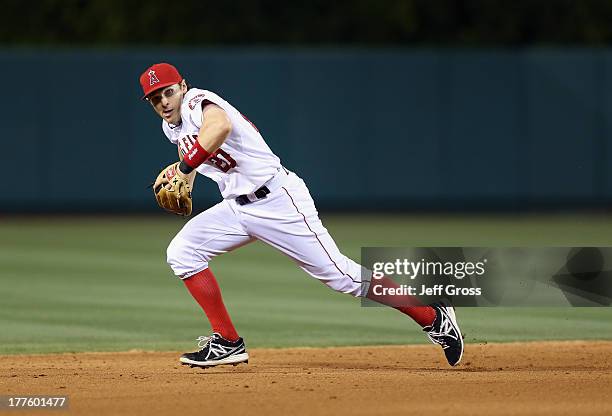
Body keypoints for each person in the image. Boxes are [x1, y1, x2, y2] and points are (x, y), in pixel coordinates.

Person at [139, 62, 464, 368]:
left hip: (278, 201)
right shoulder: (171, 127)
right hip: (237, 207)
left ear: (183, 86)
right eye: (155, 98)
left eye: (168, 91)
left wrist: (183, 168)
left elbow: (219, 126)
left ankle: (431, 316)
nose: (164, 101)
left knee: (341, 276)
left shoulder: (198, 101)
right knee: (183, 253)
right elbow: (198, 153)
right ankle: (227, 342)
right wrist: (188, 179)